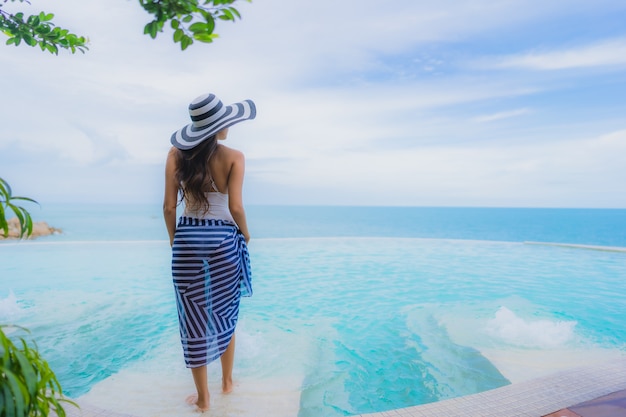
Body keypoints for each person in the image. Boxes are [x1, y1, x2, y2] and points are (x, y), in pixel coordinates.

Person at [163, 92, 255, 412]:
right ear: (218, 126)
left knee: (193, 321)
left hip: (187, 240)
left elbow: (168, 207)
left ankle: (203, 399)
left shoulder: (176, 155)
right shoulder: (235, 157)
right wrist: (246, 234)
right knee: (225, 312)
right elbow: (236, 207)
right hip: (224, 243)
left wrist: (179, 243)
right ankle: (227, 382)